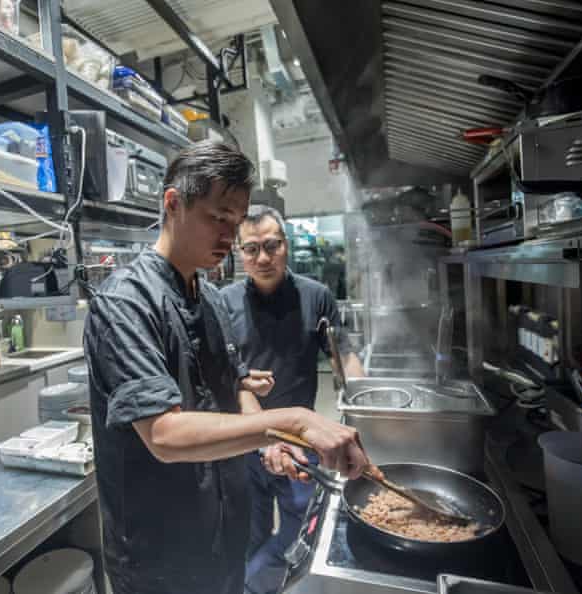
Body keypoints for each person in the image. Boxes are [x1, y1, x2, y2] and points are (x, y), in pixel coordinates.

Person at [83, 141, 375, 594]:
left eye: (234, 221)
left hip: (224, 528)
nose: (227, 235)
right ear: (174, 203)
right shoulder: (126, 303)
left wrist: (271, 443)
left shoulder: (212, 299)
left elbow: (235, 390)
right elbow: (164, 434)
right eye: (217, 217)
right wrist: (293, 420)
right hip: (162, 550)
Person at [221, 204, 366, 594]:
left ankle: (264, 586)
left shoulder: (316, 296)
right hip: (243, 444)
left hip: (302, 449)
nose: (263, 257)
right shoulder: (224, 303)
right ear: (239, 253)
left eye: (272, 245)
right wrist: (267, 438)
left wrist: (362, 406)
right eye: (251, 249)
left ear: (286, 246)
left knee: (299, 532)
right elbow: (232, 382)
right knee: (247, 532)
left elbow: (344, 355)